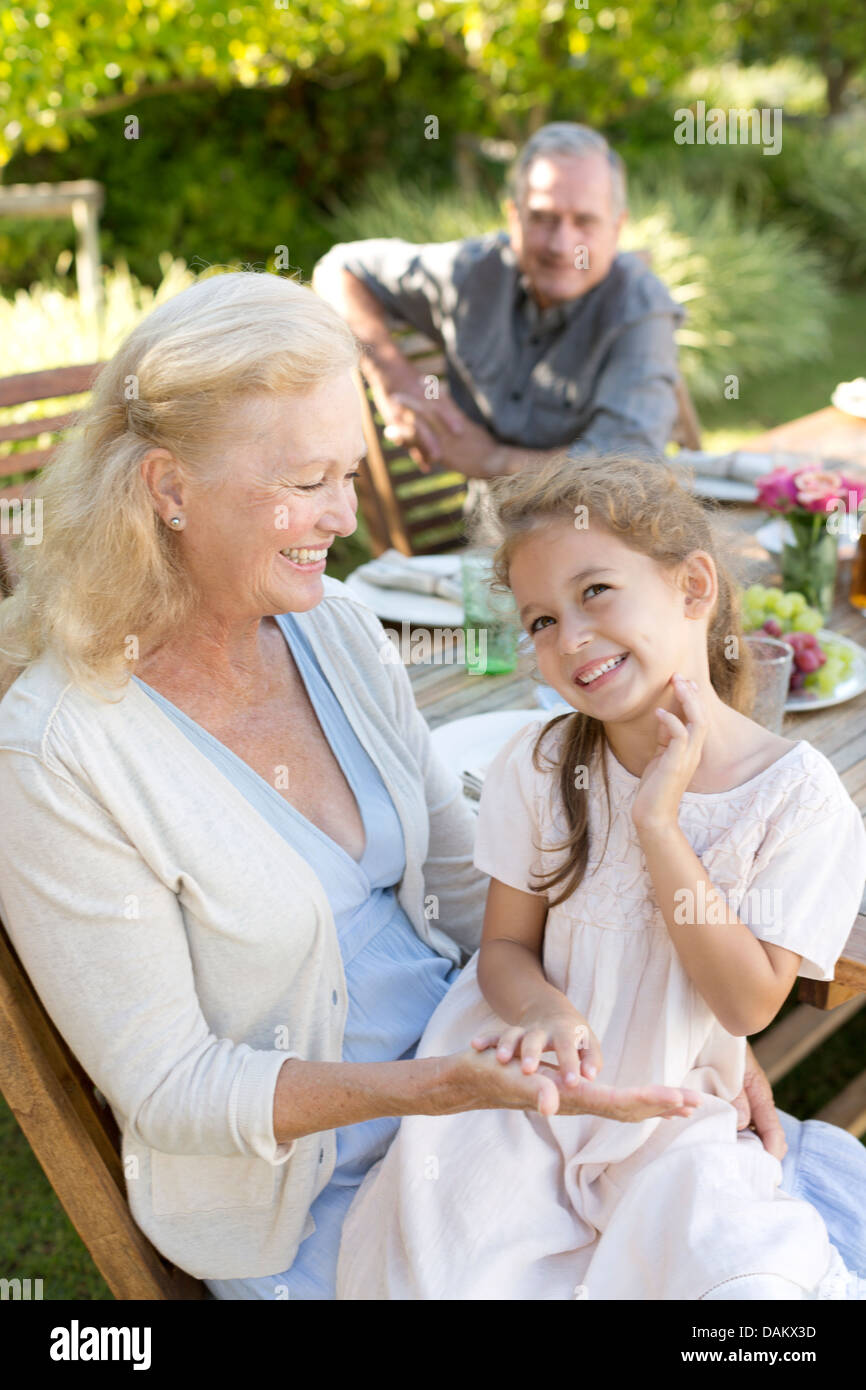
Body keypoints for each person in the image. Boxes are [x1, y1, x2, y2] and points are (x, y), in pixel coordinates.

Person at [0, 270, 705, 1302]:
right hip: (325, 1209)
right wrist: (441, 1088)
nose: (341, 516)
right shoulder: (59, 754)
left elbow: (473, 895)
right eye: (304, 480)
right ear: (168, 488)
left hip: (487, 1105)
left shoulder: (331, 625)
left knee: (748, 1218)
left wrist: (686, 1041)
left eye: (348, 473)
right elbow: (175, 1089)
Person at [335, 453, 866, 1302]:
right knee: (457, 1272)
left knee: (745, 1288)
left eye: (595, 593)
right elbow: (505, 947)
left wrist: (658, 823)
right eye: (541, 619)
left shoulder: (798, 802)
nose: (570, 638)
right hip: (527, 1092)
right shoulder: (542, 766)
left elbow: (745, 1007)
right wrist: (545, 1008)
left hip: (668, 1109)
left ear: (694, 587)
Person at [311, 122, 686, 530]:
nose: (562, 244)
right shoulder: (470, 273)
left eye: (584, 222)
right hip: (485, 545)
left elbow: (628, 471)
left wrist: (492, 460)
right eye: (542, 218)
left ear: (617, 228)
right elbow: (338, 268)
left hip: (600, 542)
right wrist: (393, 376)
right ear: (513, 217)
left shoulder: (640, 306)